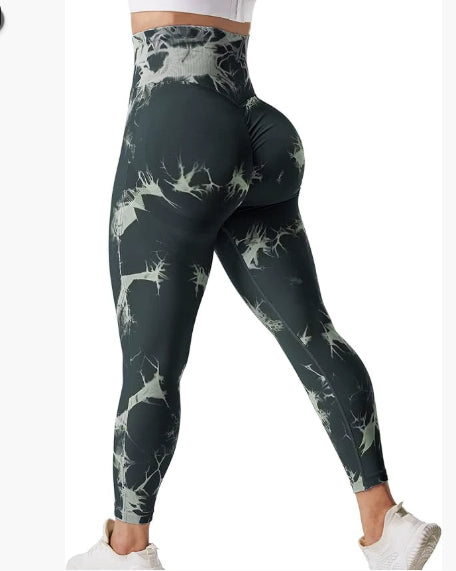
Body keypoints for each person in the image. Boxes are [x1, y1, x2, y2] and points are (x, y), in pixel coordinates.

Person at [66, 2, 441, 570]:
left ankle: (126, 550)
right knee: (313, 333)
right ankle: (384, 520)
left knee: (150, 367)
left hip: (177, 128)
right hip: (260, 128)